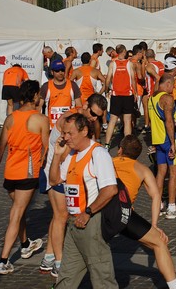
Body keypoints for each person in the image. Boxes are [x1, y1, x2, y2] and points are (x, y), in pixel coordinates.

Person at [39, 94, 108, 278]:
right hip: (57, 172)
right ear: (85, 105)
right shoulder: (68, 122)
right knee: (61, 216)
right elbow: (66, 153)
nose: (94, 118)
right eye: (93, 113)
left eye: (98, 116)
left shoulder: (84, 123)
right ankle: (60, 262)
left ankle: (48, 256)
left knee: (58, 216)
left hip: (67, 172)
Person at [48, 113, 119, 288]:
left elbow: (110, 189)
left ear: (84, 131)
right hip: (74, 224)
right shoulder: (72, 154)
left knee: (102, 277)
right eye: (64, 133)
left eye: (70, 133)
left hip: (90, 223)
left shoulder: (98, 154)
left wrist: (88, 213)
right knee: (66, 277)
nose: (65, 138)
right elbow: (54, 180)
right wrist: (57, 155)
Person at [0, 80, 48, 275]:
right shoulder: (40, 119)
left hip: (10, 173)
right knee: (16, 214)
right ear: (34, 96)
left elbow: (0, 148)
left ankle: (25, 244)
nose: (40, 97)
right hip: (27, 173)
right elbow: (47, 149)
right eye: (38, 94)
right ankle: (4, 260)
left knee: (18, 211)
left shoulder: (10, 118)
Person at [111, 135, 176, 289]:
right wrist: (155, 225)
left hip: (101, 210)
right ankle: (175, 287)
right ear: (137, 155)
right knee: (159, 243)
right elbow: (156, 196)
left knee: (86, 248)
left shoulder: (108, 162)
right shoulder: (142, 169)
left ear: (120, 150)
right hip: (123, 213)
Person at [149, 74, 176, 219]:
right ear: (167, 84)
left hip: (158, 140)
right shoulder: (167, 98)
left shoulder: (151, 97)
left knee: (161, 173)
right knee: (174, 173)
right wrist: (173, 143)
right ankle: (172, 208)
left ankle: (158, 204)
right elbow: (169, 122)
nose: (173, 89)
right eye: (172, 85)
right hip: (168, 140)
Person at [104, 44, 138, 147]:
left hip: (116, 95)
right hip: (127, 95)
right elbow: (133, 79)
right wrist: (135, 92)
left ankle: (106, 144)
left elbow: (108, 78)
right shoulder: (129, 64)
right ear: (124, 51)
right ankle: (127, 145)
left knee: (113, 121)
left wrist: (106, 90)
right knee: (127, 121)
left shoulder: (112, 64)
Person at [39, 59, 82, 129]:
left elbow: (79, 106)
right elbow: (39, 106)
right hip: (51, 127)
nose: (60, 73)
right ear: (52, 72)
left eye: (62, 70)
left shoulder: (73, 85)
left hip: (69, 127)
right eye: (57, 71)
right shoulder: (46, 86)